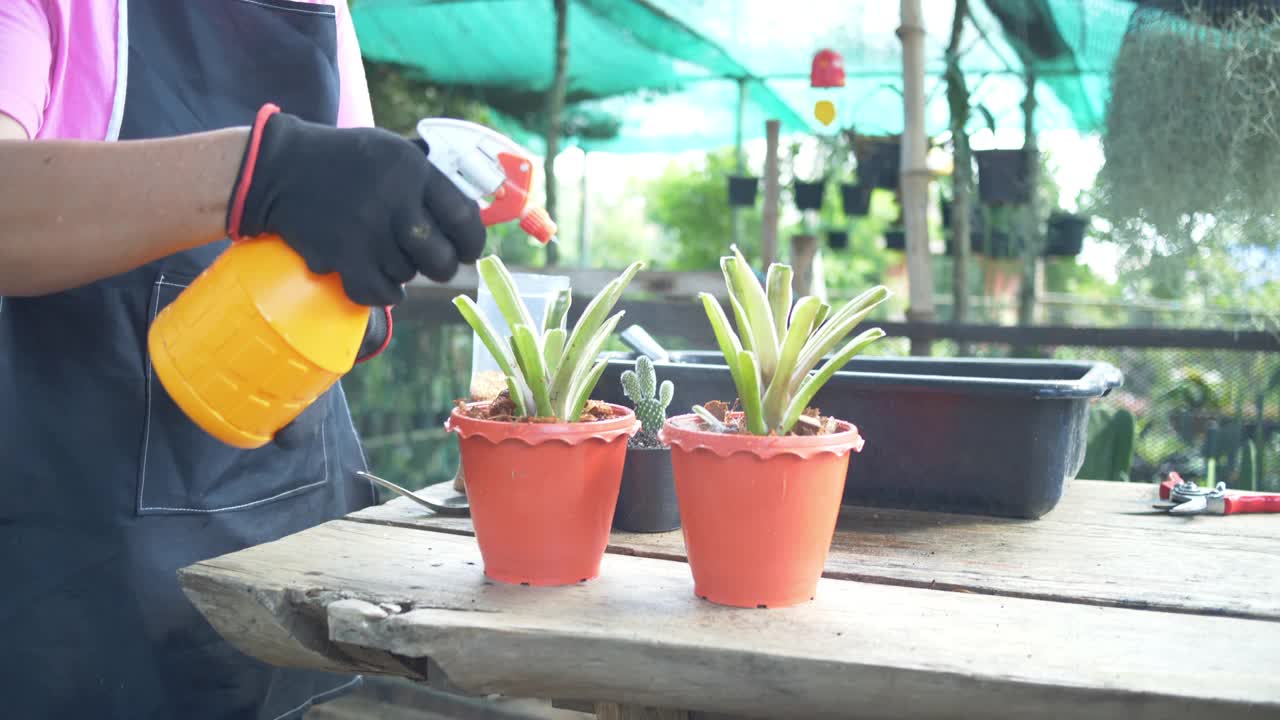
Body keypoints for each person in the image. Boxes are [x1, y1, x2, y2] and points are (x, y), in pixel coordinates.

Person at [0, 1, 486, 717]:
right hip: (73, 586)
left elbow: (334, 242)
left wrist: (366, 270)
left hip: (281, 569)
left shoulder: (328, 17)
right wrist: (259, 174)